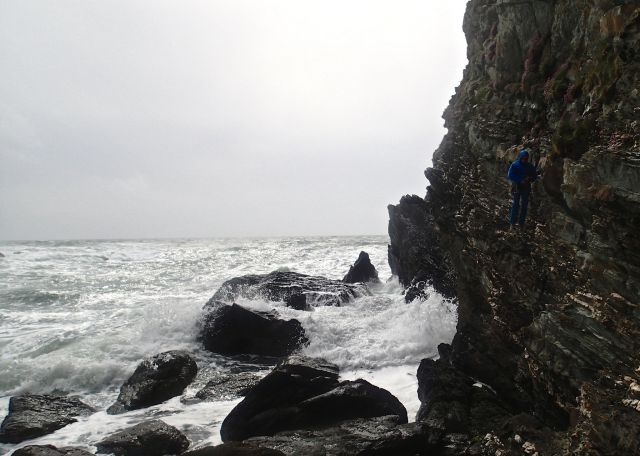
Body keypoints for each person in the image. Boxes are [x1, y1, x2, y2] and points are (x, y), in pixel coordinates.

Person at [507, 148, 537, 228]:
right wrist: (520, 180)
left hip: (526, 188)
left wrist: (529, 178)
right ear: (520, 157)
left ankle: (521, 224)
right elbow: (510, 175)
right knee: (515, 205)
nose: (524, 160)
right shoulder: (515, 164)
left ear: (527, 158)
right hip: (517, 187)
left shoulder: (530, 166)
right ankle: (512, 223)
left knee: (524, 206)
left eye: (525, 158)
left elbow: (534, 176)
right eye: (522, 158)